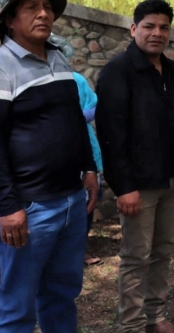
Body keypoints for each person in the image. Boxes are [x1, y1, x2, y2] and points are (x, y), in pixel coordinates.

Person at [0, 0, 98, 332]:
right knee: (16, 306)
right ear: (10, 20)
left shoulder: (56, 58)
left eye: (47, 7)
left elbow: (74, 120)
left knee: (61, 294)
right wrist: (9, 206)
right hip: (28, 208)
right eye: (31, 8)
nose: (44, 14)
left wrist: (89, 168)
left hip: (70, 200)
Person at [96, 0, 174, 333]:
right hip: (138, 187)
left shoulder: (172, 71)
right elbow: (111, 136)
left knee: (163, 253)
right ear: (134, 29)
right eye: (149, 26)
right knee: (135, 258)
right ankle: (130, 325)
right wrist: (123, 186)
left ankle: (154, 315)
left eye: (163, 27)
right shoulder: (117, 72)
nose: (157, 33)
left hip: (172, 182)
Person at [49, 34, 104, 267]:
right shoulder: (31, 82)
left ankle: (79, 248)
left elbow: (94, 105)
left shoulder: (77, 80)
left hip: (83, 147)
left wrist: (75, 118)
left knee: (89, 199)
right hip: (51, 156)